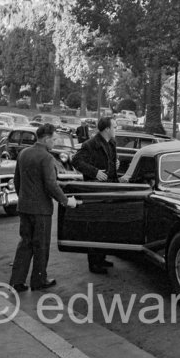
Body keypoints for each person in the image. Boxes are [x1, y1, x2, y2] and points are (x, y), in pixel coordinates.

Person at [9, 123, 77, 292]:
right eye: (53, 140)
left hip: (24, 207)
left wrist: (24, 198)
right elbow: (51, 185)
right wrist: (65, 201)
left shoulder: (24, 153)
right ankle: (39, 280)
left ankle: (17, 281)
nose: (54, 143)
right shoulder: (46, 158)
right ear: (46, 139)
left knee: (25, 243)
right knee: (41, 246)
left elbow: (17, 180)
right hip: (41, 210)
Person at [72, 116, 118, 274]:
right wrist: (95, 172)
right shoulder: (91, 144)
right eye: (114, 127)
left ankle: (102, 258)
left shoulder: (111, 143)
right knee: (95, 228)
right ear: (107, 129)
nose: (115, 130)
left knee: (105, 227)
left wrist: (115, 165)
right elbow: (76, 161)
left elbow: (109, 163)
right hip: (94, 191)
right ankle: (94, 263)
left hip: (108, 190)